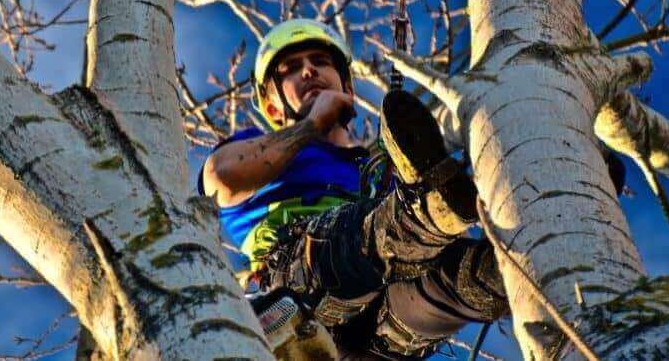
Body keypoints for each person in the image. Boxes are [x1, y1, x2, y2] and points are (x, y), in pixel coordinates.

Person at [200, 19, 511, 359]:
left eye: (320, 62)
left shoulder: (383, 167)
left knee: (471, 274)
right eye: (291, 68)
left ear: (346, 86)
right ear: (272, 106)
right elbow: (221, 175)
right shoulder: (260, 150)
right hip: (302, 287)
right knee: (375, 230)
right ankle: (423, 217)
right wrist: (312, 124)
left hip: (381, 327)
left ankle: (502, 271)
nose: (308, 71)